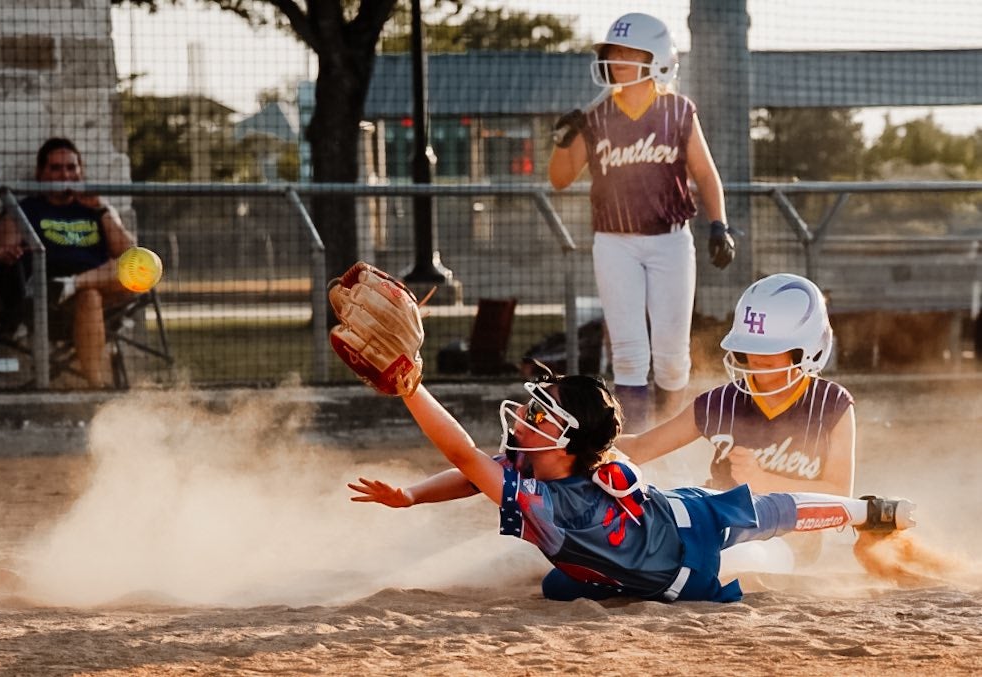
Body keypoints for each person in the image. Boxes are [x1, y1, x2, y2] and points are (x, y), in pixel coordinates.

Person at [349, 371, 913, 603]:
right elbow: (475, 471)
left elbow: (464, 456)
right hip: (648, 540)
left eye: (541, 414)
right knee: (557, 585)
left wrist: (411, 386)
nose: (523, 414)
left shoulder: (552, 503)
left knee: (774, 520)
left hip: (691, 549)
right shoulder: (542, 469)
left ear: (565, 442)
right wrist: (411, 497)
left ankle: (867, 512)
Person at [548, 12, 735, 432]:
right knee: (630, 353)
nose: (616, 62)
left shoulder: (677, 110)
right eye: (612, 54)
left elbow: (704, 173)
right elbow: (560, 179)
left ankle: (671, 435)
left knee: (670, 356)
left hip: (670, 240)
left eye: (628, 54)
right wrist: (563, 142)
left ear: (658, 59)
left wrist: (718, 224)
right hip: (614, 242)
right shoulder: (596, 117)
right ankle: (635, 444)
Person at [618, 273, 855, 498]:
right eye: (750, 344)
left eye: (772, 346)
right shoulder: (721, 402)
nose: (757, 355)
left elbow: (840, 493)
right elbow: (641, 447)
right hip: (729, 535)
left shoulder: (832, 403)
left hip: (793, 538)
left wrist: (764, 482)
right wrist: (589, 444)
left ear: (807, 346)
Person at [0, 137, 136, 388]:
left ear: (81, 171)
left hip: (102, 290)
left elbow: (131, 254)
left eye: (70, 168)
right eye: (55, 168)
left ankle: (72, 283)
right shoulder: (25, 210)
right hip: (49, 300)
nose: (64, 174)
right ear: (40, 173)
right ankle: (97, 388)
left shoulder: (97, 209)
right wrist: (3, 256)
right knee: (89, 296)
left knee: (141, 266)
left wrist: (100, 208)